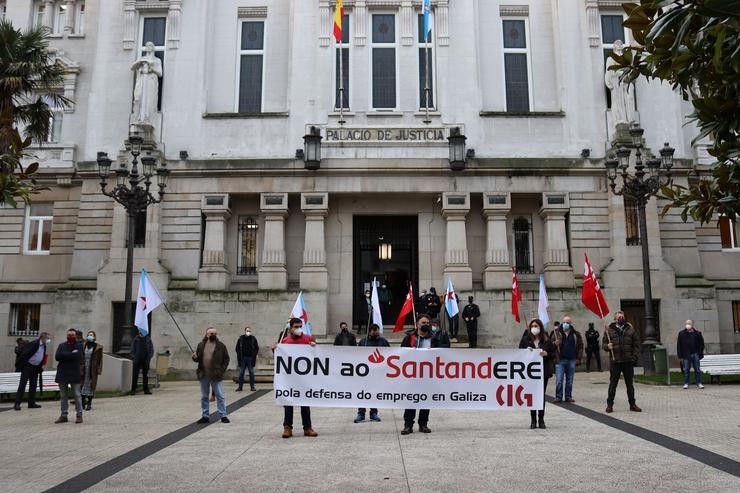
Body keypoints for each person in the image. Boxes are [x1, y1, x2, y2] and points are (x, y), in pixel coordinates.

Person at [276, 318, 318, 438]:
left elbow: (316, 356)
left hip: (304, 378)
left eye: (300, 326)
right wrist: (275, 349)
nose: (298, 328)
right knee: (288, 403)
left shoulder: (308, 339)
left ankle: (308, 427)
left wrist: (314, 347)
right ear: (291, 328)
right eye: (296, 326)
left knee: (305, 402)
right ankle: (287, 427)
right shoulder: (285, 341)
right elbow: (280, 359)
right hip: (290, 379)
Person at [400, 314, 439, 435]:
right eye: (423, 323)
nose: (426, 325)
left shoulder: (434, 338)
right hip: (412, 375)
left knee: (425, 400)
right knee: (411, 400)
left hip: (428, 375)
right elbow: (401, 353)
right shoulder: (409, 338)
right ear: (417, 324)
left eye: (428, 323)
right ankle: (408, 425)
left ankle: (423, 424)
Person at [604, 311, 642, 413]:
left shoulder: (630, 329)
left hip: (628, 362)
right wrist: (607, 346)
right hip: (615, 362)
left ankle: (632, 404)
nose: (621, 318)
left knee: (630, 385)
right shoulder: (609, 330)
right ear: (615, 319)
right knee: (613, 384)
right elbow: (604, 344)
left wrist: (634, 357)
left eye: (622, 316)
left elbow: (636, 344)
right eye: (619, 317)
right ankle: (609, 405)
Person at [519, 319, 554, 429]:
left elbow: (553, 354)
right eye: (532, 326)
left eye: (536, 326)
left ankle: (541, 419)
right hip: (530, 373)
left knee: (541, 395)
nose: (534, 328)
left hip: (543, 372)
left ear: (540, 327)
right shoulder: (526, 340)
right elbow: (519, 353)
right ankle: (533, 419)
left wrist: (546, 353)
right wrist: (526, 351)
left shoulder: (547, 340)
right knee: (532, 395)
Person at [192, 327, 230, 423]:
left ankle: (223, 415)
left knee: (220, 395)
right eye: (210, 333)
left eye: (214, 333)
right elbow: (198, 359)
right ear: (206, 334)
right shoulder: (201, 345)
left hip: (216, 374)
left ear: (216, 334)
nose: (212, 335)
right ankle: (205, 416)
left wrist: (221, 370)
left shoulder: (221, 346)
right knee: (204, 396)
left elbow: (226, 359)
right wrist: (194, 357)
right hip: (203, 374)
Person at [355, 323, 390, 423]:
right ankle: (361, 413)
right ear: (369, 331)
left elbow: (390, 352)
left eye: (377, 330)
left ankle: (374, 413)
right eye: (374, 330)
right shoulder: (363, 342)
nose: (376, 332)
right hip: (365, 373)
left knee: (374, 393)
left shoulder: (383, 341)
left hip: (378, 373)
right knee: (363, 393)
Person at [13, 332, 50, 411]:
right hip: (28, 366)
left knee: (33, 386)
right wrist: (23, 364)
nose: (48, 340)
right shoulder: (34, 343)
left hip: (36, 367)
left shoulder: (44, 346)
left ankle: (31, 403)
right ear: (42, 338)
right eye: (47, 338)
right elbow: (25, 353)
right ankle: (17, 403)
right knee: (22, 385)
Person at [551, 315, 583, 403]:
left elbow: (580, 346)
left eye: (567, 323)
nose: (565, 324)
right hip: (560, 360)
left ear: (570, 324)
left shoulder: (575, 334)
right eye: (564, 322)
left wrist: (579, 358)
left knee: (569, 380)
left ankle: (568, 396)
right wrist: (555, 343)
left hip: (571, 360)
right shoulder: (556, 333)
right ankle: (558, 397)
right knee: (559, 380)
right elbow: (550, 345)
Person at [55, 328, 84, 424]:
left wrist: (65, 355)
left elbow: (78, 357)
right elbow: (57, 356)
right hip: (62, 373)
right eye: (69, 335)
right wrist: (71, 354)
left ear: (76, 336)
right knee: (63, 396)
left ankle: (79, 415)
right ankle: (64, 415)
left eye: (72, 335)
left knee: (77, 395)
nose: (70, 336)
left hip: (74, 373)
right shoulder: (61, 345)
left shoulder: (79, 346)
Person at [677, 319, 705, 390]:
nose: (688, 325)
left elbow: (702, 344)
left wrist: (698, 353)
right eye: (687, 323)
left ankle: (699, 383)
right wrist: (680, 355)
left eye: (689, 323)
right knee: (686, 370)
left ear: (692, 324)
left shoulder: (697, 333)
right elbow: (679, 345)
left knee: (697, 369)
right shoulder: (682, 333)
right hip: (686, 355)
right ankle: (686, 383)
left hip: (695, 354)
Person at [80, 331, 103, 411]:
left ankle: (89, 403)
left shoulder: (98, 347)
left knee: (91, 386)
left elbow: (100, 360)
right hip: (84, 368)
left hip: (92, 369)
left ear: (94, 337)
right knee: (82, 386)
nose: (90, 336)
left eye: (91, 335)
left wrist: (99, 370)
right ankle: (82, 403)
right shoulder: (83, 345)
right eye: (89, 335)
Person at [235, 326, 259, 392]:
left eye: (249, 331)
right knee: (241, 373)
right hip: (243, 358)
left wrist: (254, 355)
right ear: (245, 331)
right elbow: (237, 348)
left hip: (250, 358)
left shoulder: (253, 338)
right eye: (247, 331)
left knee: (251, 373)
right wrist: (239, 356)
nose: (248, 332)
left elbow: (257, 348)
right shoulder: (241, 338)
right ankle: (240, 387)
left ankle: (252, 387)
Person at [130, 330, 154, 395]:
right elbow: (132, 349)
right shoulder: (136, 339)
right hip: (137, 359)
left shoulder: (148, 339)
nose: (141, 333)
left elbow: (151, 349)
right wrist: (134, 357)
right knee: (135, 375)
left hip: (146, 359)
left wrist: (149, 356)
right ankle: (133, 390)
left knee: (145, 375)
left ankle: (146, 390)